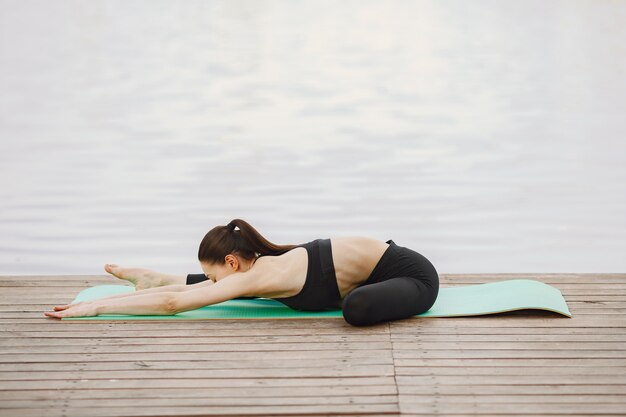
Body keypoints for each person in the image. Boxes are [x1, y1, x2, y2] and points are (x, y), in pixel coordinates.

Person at [45, 219, 439, 326]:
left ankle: (155, 278)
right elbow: (181, 295)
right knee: (234, 290)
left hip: (411, 275)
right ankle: (154, 274)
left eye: (215, 276)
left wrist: (93, 309)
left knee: (356, 309)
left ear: (233, 261)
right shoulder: (256, 268)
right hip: (372, 273)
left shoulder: (256, 276)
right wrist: (108, 300)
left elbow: (172, 306)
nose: (213, 285)